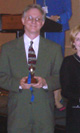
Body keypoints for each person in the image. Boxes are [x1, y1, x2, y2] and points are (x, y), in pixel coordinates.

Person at [0, 4, 63, 133]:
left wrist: (45, 82)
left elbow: (61, 77)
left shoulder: (54, 49)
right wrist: (18, 84)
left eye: (38, 19)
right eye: (30, 18)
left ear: (43, 22)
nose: (34, 22)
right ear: (23, 20)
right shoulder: (7, 49)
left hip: (44, 114)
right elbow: (1, 76)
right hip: (18, 114)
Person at [36, 0, 72, 111]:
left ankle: (57, 97)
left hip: (56, 30)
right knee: (43, 64)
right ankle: (44, 95)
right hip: (42, 31)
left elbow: (68, 12)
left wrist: (58, 18)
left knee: (57, 64)